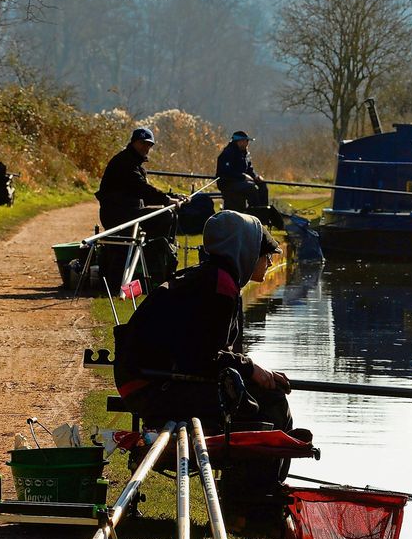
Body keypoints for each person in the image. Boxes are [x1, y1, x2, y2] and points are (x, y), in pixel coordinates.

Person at [112, 209, 292, 433]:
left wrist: (250, 370)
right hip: (151, 384)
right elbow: (202, 357)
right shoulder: (219, 286)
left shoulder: (211, 277)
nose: (270, 262)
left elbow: (204, 352)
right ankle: (254, 455)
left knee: (254, 396)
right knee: (271, 401)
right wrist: (250, 368)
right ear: (247, 252)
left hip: (147, 377)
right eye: (266, 255)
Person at [95, 127, 180, 283]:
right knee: (165, 215)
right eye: (142, 143)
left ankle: (161, 257)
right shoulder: (125, 162)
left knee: (170, 214)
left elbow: (145, 196)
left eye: (149, 144)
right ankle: (154, 261)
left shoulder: (135, 163)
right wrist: (167, 200)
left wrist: (174, 197)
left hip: (130, 212)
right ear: (133, 142)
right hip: (118, 214)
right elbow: (141, 188)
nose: (145, 147)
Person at [215, 130, 285, 228]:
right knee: (251, 188)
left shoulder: (244, 154)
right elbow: (226, 173)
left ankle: (263, 214)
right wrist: (242, 177)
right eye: (245, 141)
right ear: (239, 141)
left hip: (241, 182)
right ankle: (255, 215)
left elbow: (249, 169)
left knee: (262, 186)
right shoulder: (227, 153)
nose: (247, 143)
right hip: (228, 184)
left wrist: (256, 176)